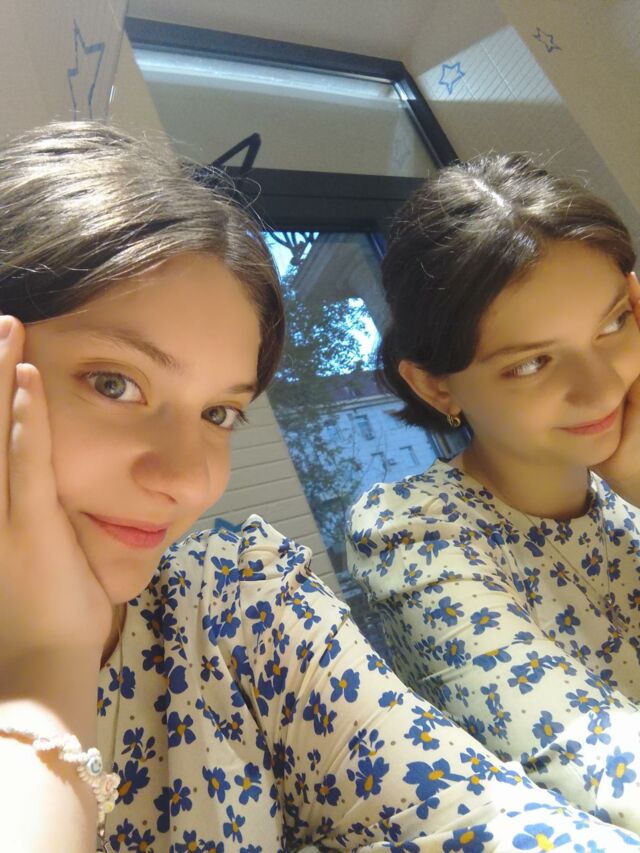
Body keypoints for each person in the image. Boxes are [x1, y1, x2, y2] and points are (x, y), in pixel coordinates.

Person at [1, 126, 638, 853]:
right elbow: (588, 753)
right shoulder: (412, 532)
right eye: (114, 384)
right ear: (435, 385)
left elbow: (492, 822)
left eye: (219, 413)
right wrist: (46, 670)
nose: (187, 479)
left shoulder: (238, 604)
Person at [347, 153, 640, 836]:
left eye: (612, 324)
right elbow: (597, 765)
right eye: (533, 362)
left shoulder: (625, 491)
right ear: (436, 386)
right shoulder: (412, 532)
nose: (600, 387)